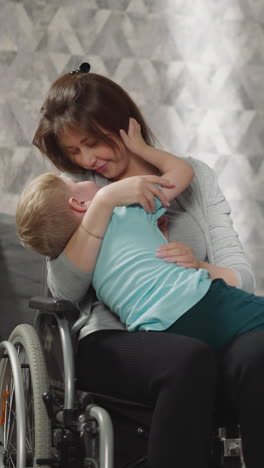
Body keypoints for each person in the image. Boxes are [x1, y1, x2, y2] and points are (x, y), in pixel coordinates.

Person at [27, 62, 262, 468]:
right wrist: (104, 202)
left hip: (205, 311)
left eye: (92, 142)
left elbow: (241, 275)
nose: (88, 159)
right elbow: (63, 290)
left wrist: (199, 267)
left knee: (259, 353)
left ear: (122, 125)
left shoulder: (193, 178)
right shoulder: (82, 197)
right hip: (116, 340)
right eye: (74, 152)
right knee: (186, 359)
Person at [17, 117, 264, 353]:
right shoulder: (126, 210)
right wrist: (142, 149)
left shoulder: (86, 257)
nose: (85, 163)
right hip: (195, 299)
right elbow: (182, 172)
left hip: (154, 328)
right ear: (79, 203)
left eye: (92, 144)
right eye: (73, 182)